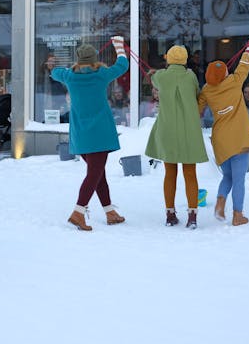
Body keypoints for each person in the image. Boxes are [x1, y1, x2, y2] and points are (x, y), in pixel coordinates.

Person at [51, 37, 129, 231]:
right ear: (94, 59)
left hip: (80, 134)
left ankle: (110, 212)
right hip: (100, 133)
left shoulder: (69, 76)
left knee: (98, 174)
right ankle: (78, 212)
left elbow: (54, 72)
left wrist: (69, 67)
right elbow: (122, 65)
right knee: (94, 174)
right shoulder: (101, 74)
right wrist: (119, 46)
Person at [198, 35, 249, 226]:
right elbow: (245, 63)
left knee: (228, 176)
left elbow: (197, 109)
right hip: (239, 139)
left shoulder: (206, 90)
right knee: (239, 179)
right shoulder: (235, 82)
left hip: (220, 139)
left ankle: (221, 201)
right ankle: (238, 215)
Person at [145, 45, 208, 229]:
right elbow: (197, 94)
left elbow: (153, 78)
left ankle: (170, 214)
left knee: (169, 173)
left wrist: (153, 72)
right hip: (189, 131)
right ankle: (193, 216)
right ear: (186, 60)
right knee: (190, 174)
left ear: (168, 60)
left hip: (167, 131)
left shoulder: (161, 77)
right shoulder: (191, 76)